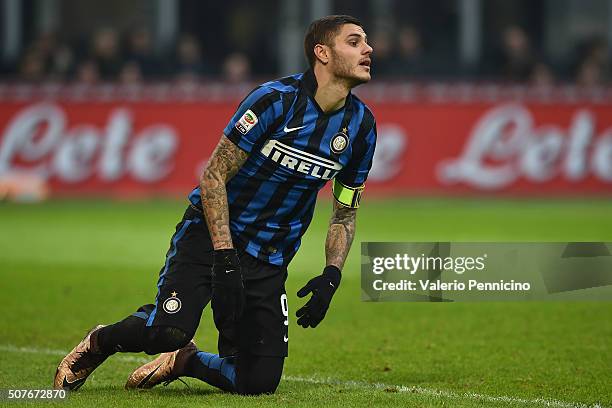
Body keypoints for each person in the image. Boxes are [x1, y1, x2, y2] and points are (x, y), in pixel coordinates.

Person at [54, 14, 376, 396]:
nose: (368, 49)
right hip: (209, 237)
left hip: (268, 256)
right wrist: (224, 258)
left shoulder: (362, 127)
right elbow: (213, 175)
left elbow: (345, 210)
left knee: (257, 382)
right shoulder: (274, 101)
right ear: (322, 53)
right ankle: (98, 343)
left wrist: (331, 274)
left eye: (366, 42)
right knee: (167, 331)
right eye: (354, 42)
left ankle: (184, 360)